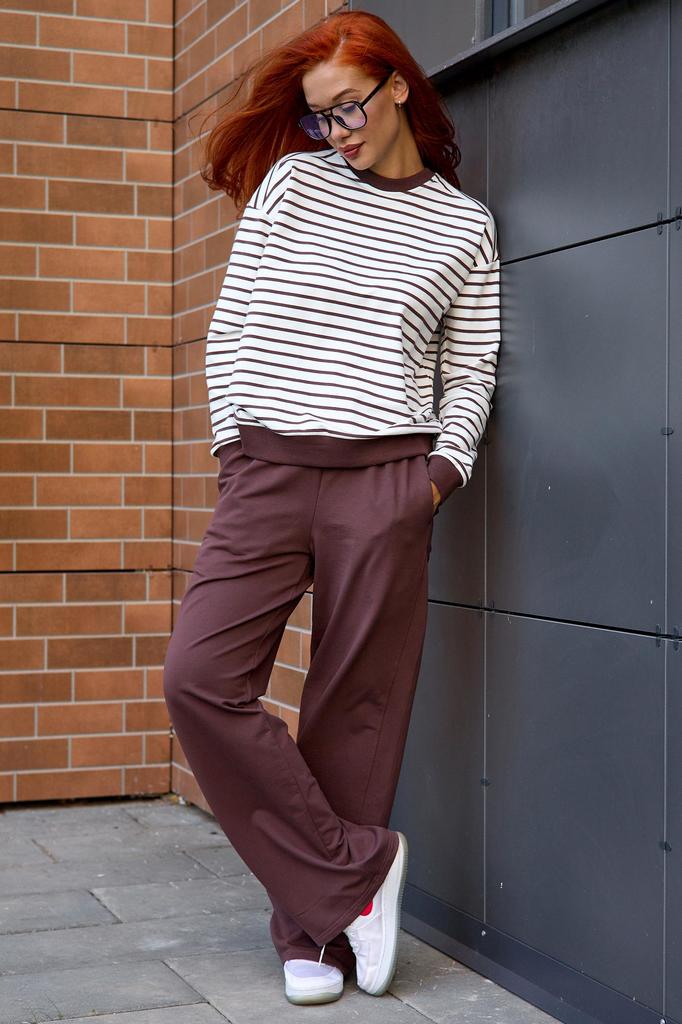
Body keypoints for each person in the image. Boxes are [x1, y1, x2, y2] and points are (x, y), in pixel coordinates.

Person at [163, 8, 501, 1007]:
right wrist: (234, 449)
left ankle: (313, 932)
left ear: (397, 85)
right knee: (199, 678)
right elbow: (232, 324)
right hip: (266, 470)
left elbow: (470, 369)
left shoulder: (462, 227)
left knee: (355, 708)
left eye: (349, 108)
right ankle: (359, 869)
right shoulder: (293, 183)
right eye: (320, 117)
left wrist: (436, 479)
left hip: (387, 480)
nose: (336, 132)